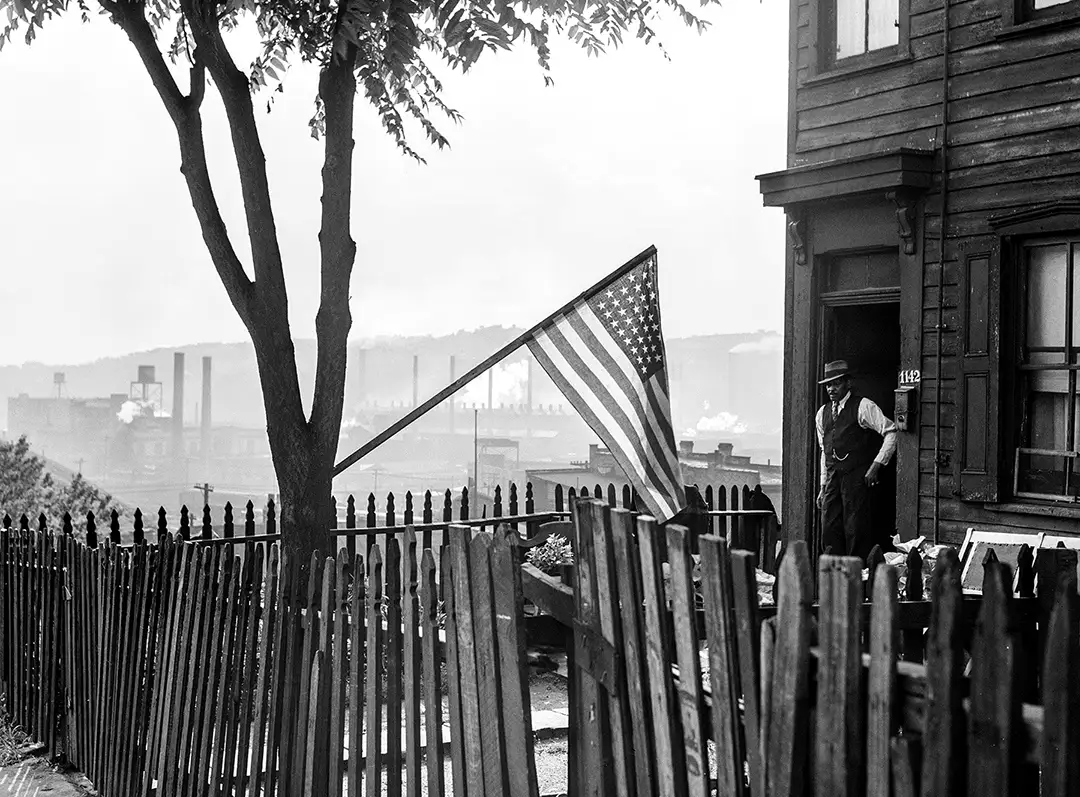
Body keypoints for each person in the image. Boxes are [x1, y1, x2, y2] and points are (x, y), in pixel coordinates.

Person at [815, 360, 898, 561]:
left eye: (836, 383)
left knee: (856, 528)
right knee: (829, 527)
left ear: (848, 383)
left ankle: (859, 579)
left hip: (856, 477)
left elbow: (891, 431)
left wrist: (877, 465)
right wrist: (823, 485)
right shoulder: (822, 413)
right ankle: (833, 576)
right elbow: (824, 451)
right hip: (833, 477)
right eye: (828, 385)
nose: (831, 389)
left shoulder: (863, 406)